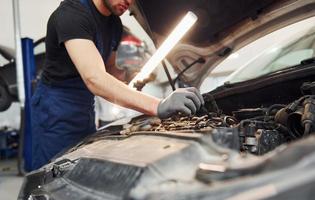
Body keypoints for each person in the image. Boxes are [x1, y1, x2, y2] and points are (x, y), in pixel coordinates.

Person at [31, 0, 204, 170]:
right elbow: (94, 78)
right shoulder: (72, 14)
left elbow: (109, 68)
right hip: (54, 109)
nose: (129, 1)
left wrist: (132, 77)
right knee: (53, 173)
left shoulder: (114, 24)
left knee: (78, 167)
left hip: (84, 108)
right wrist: (158, 105)